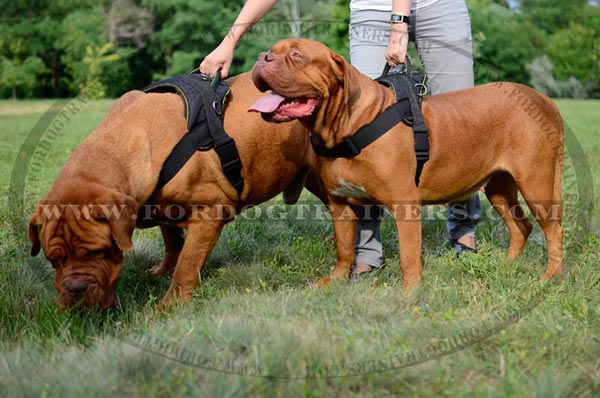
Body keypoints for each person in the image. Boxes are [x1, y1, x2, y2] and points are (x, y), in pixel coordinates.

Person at [200, 0, 481, 276]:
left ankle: (463, 231)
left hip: (439, 7)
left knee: (460, 125)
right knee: (359, 135)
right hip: (371, 10)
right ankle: (367, 253)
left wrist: (399, 26)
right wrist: (230, 41)